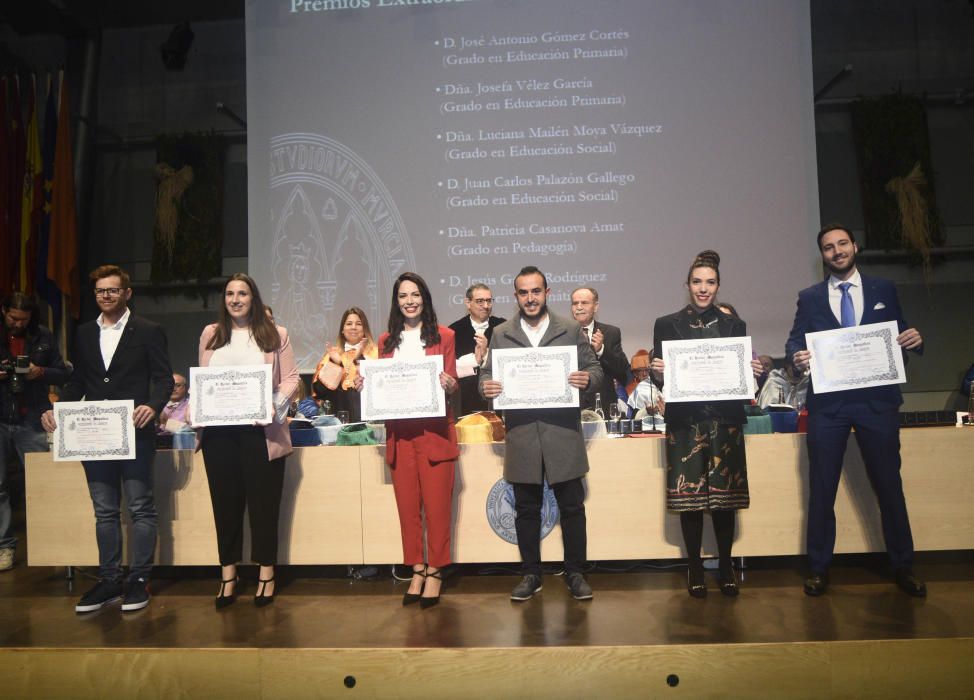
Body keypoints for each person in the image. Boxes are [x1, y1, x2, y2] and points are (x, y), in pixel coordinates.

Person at [786, 225, 926, 597]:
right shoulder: (810, 297)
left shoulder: (883, 289)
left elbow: (900, 334)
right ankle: (818, 568)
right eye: (829, 248)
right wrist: (797, 359)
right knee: (821, 489)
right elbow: (795, 341)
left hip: (876, 403)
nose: (837, 251)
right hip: (828, 407)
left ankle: (904, 565)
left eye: (842, 244)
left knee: (889, 486)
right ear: (823, 255)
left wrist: (914, 340)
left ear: (854, 246)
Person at [41, 265, 174, 612]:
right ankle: (109, 580)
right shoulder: (84, 333)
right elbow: (78, 382)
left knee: (140, 507)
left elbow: (162, 379)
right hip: (93, 434)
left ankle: (139, 580)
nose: (106, 296)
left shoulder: (148, 330)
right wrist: (58, 408)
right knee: (104, 512)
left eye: (113, 290)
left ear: (127, 293)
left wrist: (153, 405)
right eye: (101, 291)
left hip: (135, 432)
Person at [481, 266, 602, 602]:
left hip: (562, 431)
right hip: (522, 433)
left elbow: (595, 370)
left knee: (573, 508)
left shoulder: (568, 329)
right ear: (516, 296)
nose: (530, 298)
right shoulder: (502, 333)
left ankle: (576, 572)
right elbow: (487, 376)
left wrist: (587, 380)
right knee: (526, 509)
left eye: (536, 291)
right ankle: (531, 574)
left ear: (547, 293)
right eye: (523, 292)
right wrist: (485, 386)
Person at [650, 251, 762, 598]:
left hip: (724, 420)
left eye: (710, 282)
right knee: (691, 498)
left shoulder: (734, 325)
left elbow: (742, 378)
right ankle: (695, 565)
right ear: (687, 286)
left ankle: (726, 563)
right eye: (697, 282)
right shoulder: (667, 324)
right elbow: (660, 380)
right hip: (685, 422)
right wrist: (657, 373)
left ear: (718, 285)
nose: (703, 289)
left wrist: (753, 372)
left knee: (724, 499)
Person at [197, 273, 299, 609]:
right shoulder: (211, 334)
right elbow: (204, 381)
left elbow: (292, 380)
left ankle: (266, 573)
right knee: (224, 505)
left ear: (253, 298)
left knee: (263, 505)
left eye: (242, 293)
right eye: (230, 293)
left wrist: (274, 404)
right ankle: (228, 574)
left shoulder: (274, 334)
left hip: (261, 433)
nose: (236, 299)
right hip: (219, 434)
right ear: (224, 299)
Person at [359, 272, 459, 608]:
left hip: (434, 433)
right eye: (403, 296)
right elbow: (383, 387)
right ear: (396, 301)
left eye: (415, 294)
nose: (410, 301)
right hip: (400, 436)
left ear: (425, 298)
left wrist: (449, 384)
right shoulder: (386, 340)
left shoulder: (444, 336)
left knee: (437, 508)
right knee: (407, 509)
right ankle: (416, 567)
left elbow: (454, 382)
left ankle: (435, 570)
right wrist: (366, 387)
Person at [0, 293, 70, 571]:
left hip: (32, 418)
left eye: (23, 320)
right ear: (3, 310)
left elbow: (64, 373)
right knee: (0, 488)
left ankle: (53, 546)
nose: (17, 323)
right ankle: (4, 547)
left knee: (43, 486)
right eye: (13, 318)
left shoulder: (43, 336)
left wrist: (38, 372)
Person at [312, 307, 377, 423]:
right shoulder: (333, 354)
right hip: (338, 418)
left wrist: (359, 358)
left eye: (358, 324)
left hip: (369, 418)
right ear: (342, 329)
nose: (353, 327)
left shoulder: (376, 353)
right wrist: (336, 364)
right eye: (349, 324)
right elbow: (320, 392)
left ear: (365, 329)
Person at [448, 284, 505, 415]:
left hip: (497, 402)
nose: (486, 306)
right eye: (480, 301)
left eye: (489, 301)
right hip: (465, 403)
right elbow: (450, 369)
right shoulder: (454, 331)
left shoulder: (503, 328)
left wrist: (486, 354)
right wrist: (474, 360)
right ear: (468, 303)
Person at [570, 286, 628, 415]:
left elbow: (622, 371)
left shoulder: (611, 332)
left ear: (595, 307)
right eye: (575, 303)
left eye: (584, 303)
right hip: (573, 406)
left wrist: (601, 350)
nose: (579, 307)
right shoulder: (562, 334)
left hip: (603, 404)